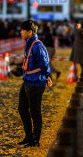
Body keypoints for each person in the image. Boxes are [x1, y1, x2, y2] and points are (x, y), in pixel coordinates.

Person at [17, 20, 52, 148]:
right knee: (22, 108)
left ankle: (35, 140)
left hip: (36, 82)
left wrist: (47, 76)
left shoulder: (38, 45)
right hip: (27, 80)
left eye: (22, 30)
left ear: (29, 32)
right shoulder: (29, 43)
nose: (20, 32)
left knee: (35, 112)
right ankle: (29, 136)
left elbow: (45, 63)